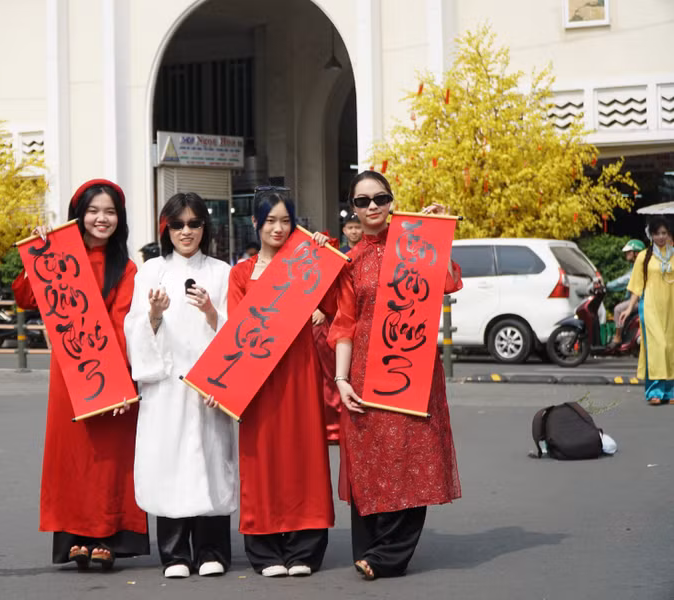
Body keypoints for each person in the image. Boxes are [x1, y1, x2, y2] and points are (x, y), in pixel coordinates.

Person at [328, 170, 462, 580]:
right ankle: (370, 547)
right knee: (370, 461)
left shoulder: (415, 247)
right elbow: (344, 324)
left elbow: (450, 281)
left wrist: (438, 234)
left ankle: (390, 555)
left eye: (380, 199)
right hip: (366, 376)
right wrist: (341, 379)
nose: (372, 208)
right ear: (351, 208)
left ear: (391, 202)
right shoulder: (349, 262)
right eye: (362, 201)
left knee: (411, 458)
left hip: (412, 370)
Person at [12, 179, 149, 569]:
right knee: (72, 456)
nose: (101, 219)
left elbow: (124, 323)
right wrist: (37, 254)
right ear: (79, 215)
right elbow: (25, 298)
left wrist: (121, 382)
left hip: (111, 374)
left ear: (119, 219)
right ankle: (74, 536)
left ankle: (107, 536)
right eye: (93, 211)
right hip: (70, 373)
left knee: (109, 458)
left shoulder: (128, 268)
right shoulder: (57, 255)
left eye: (109, 212)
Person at [124, 192, 236, 579]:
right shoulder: (150, 272)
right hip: (167, 384)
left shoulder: (222, 272)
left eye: (193, 223)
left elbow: (237, 332)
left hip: (208, 386)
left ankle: (212, 549)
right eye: (177, 224)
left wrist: (210, 312)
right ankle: (173, 553)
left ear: (205, 227)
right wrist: (153, 316)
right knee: (168, 460)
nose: (186, 231)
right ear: (166, 229)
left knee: (211, 460)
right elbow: (135, 328)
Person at [228, 188, 334, 577]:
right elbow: (236, 328)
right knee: (262, 460)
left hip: (299, 371)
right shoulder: (241, 273)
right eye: (270, 220)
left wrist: (324, 247)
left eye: (285, 220)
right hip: (258, 377)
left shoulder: (308, 263)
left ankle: (305, 546)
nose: (277, 227)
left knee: (303, 455)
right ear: (255, 224)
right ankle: (265, 546)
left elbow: (340, 295)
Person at [619, 216, 674, 405]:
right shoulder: (644, 256)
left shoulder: (673, 254)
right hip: (650, 306)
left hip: (671, 308)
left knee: (670, 348)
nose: (660, 237)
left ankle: (670, 391)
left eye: (664, 233)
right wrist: (629, 308)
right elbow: (637, 285)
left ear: (668, 235)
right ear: (651, 235)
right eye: (657, 233)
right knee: (657, 347)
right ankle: (654, 392)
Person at [607, 238, 646, 347]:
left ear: (636, 253)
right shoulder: (634, 266)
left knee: (618, 309)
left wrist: (607, 286)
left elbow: (623, 281)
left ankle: (618, 337)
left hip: (641, 300)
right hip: (637, 299)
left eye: (629, 252)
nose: (626, 254)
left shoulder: (639, 267)